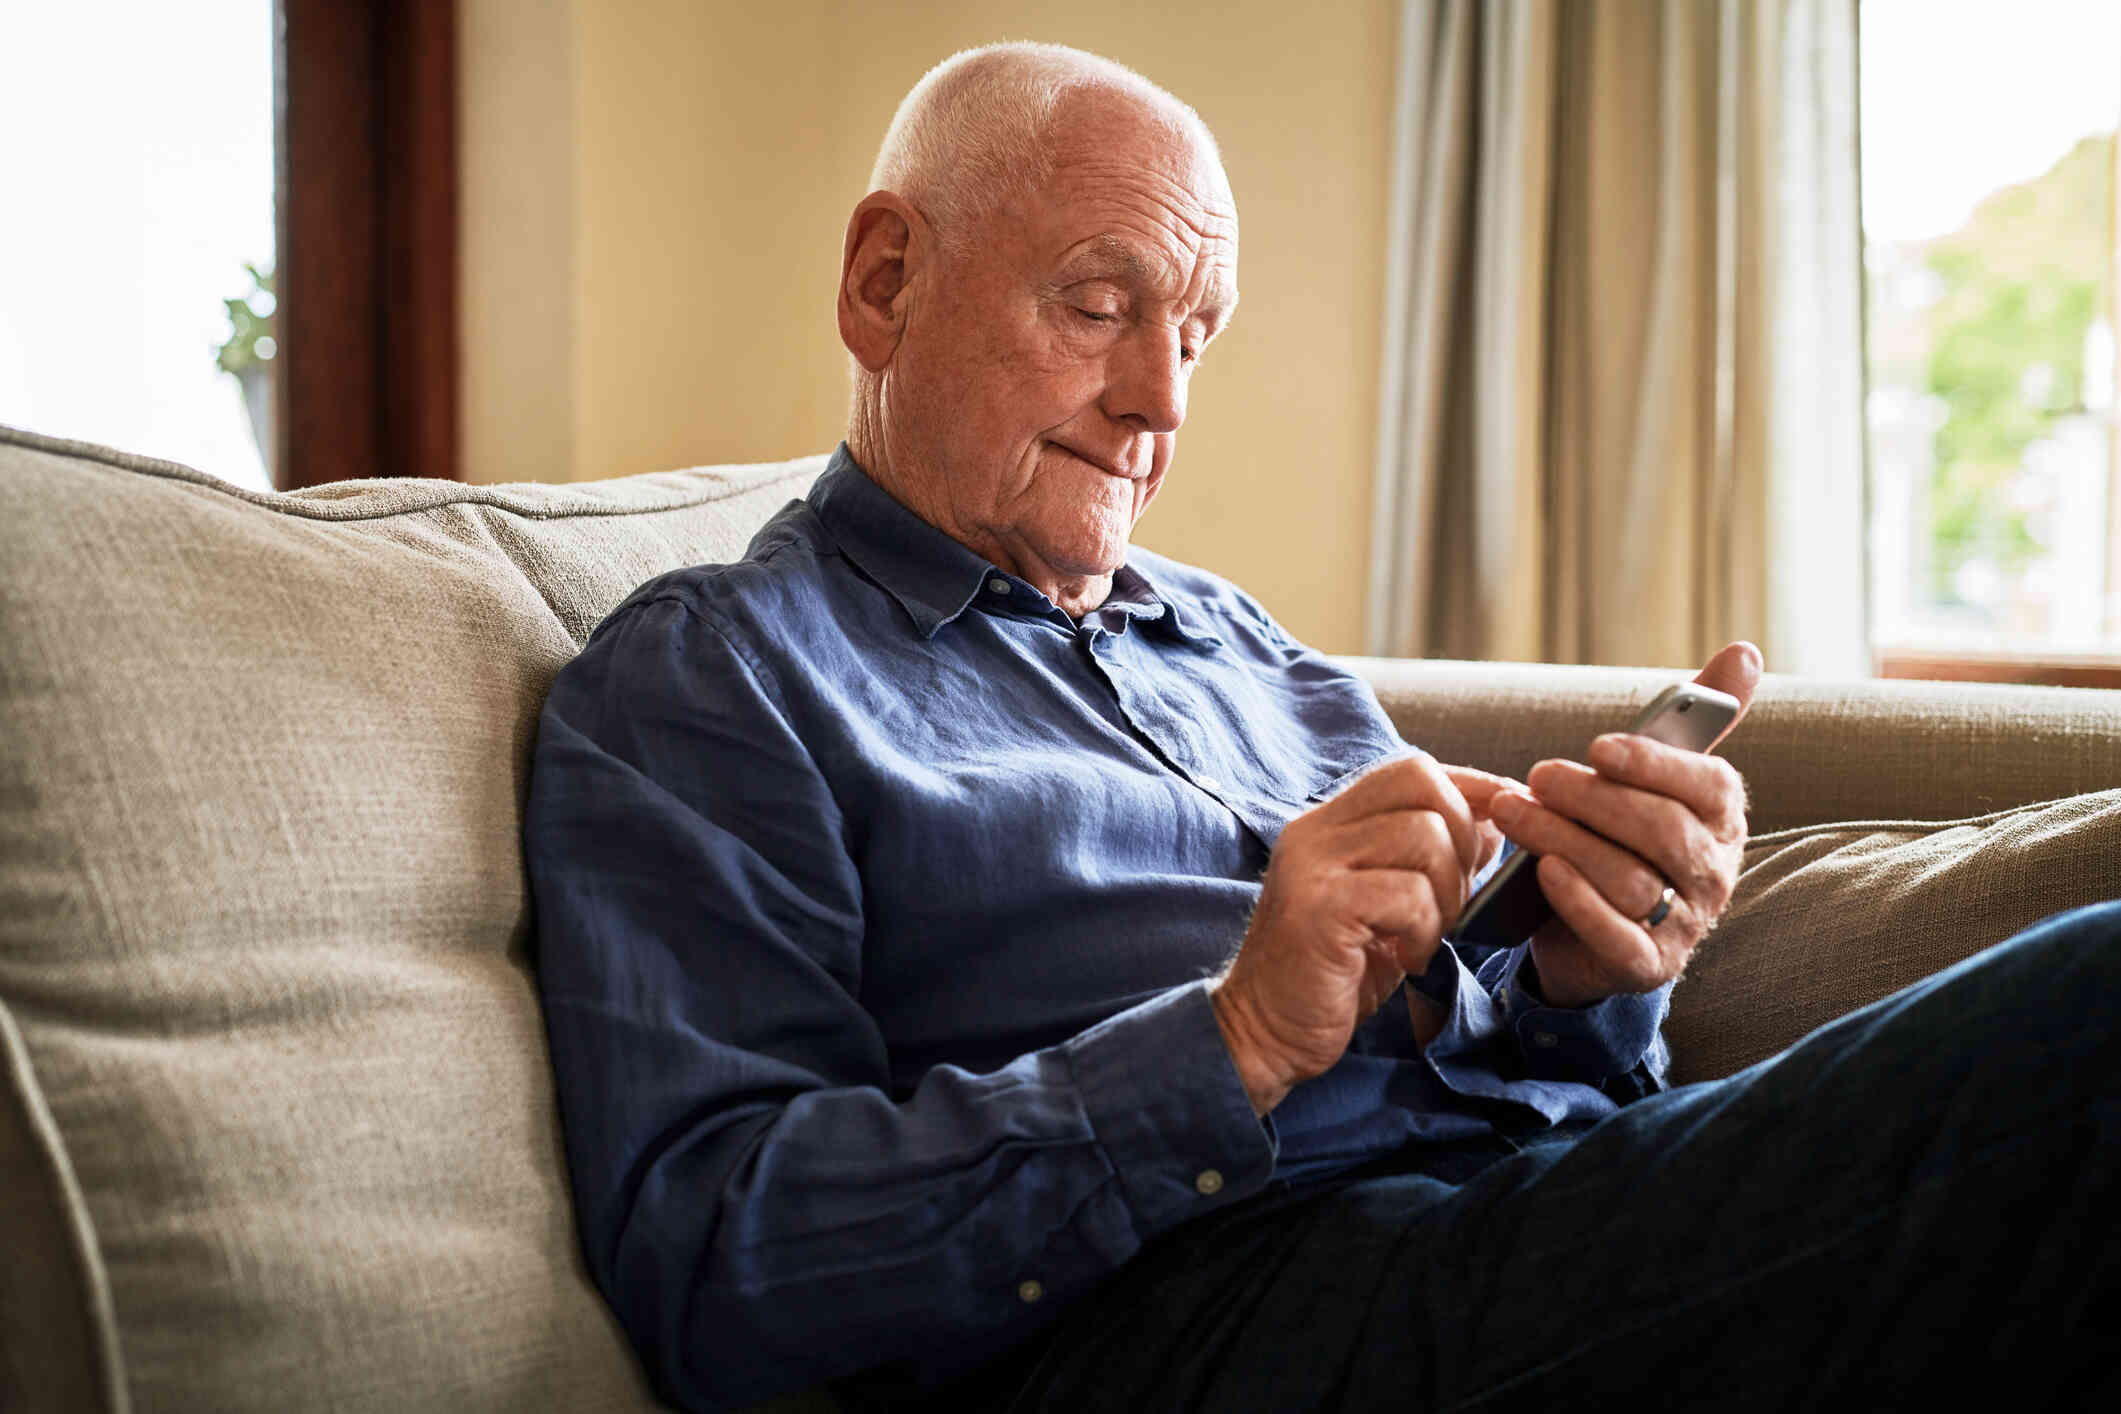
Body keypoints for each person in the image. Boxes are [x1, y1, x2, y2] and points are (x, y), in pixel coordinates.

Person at [524, 41, 2119, 1414]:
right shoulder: (715, 678)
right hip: (1198, 1318)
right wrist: (1229, 1042)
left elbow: (1507, 1039)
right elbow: (717, 1254)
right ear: (885, 282)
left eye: (1196, 333)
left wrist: (1581, 975)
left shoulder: (1231, 638)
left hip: (1510, 1230)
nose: (1162, 400)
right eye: (1098, 304)